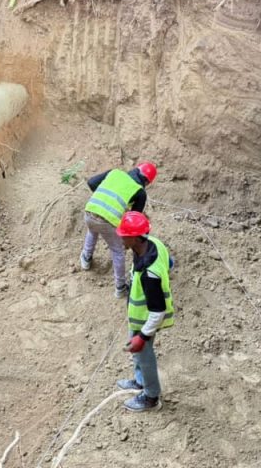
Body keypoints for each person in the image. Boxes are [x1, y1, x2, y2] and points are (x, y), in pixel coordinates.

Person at [115, 211, 174, 413]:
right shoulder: (151, 243)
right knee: (140, 356)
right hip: (140, 318)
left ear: (134, 237)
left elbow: (158, 311)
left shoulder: (151, 275)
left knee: (144, 356)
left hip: (146, 320)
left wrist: (142, 336)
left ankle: (151, 397)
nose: (120, 237)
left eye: (123, 234)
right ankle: (140, 381)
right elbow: (170, 262)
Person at [79, 161, 157, 298]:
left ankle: (85, 259)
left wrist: (103, 199)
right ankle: (120, 288)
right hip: (107, 221)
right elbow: (134, 219)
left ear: (135, 169)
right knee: (117, 250)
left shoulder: (115, 173)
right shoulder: (140, 192)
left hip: (90, 210)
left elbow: (91, 182)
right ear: (148, 182)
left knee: (92, 230)